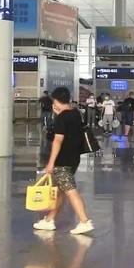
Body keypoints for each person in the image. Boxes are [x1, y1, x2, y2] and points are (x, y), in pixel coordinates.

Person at [33, 86, 94, 235]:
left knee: (70, 191)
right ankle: (49, 220)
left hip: (62, 160)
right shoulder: (75, 113)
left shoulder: (62, 118)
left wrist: (51, 162)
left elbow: (58, 140)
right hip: (74, 158)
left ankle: (84, 221)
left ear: (56, 101)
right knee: (59, 190)